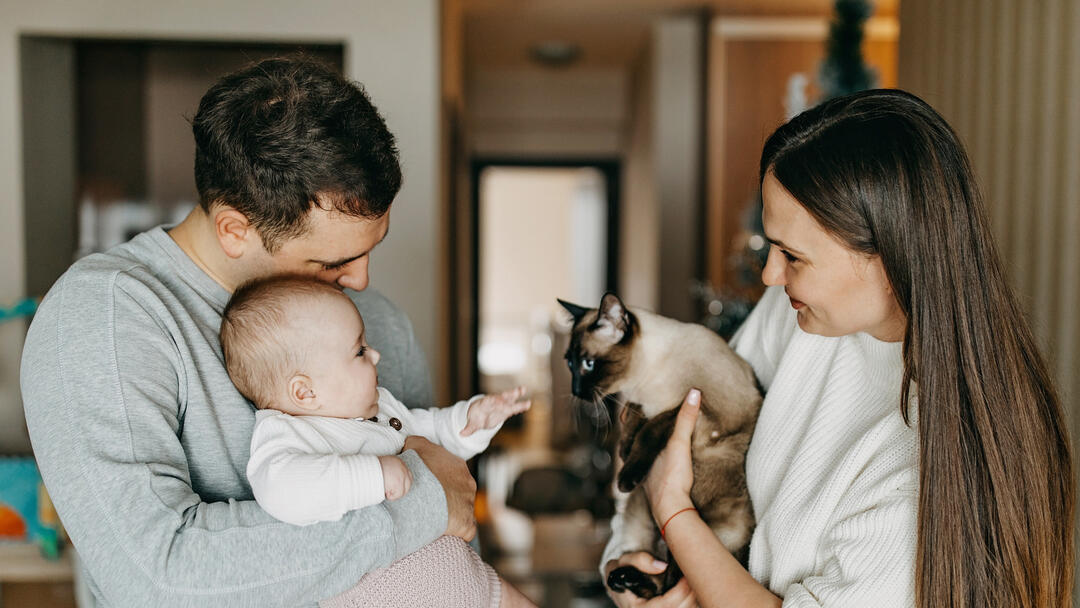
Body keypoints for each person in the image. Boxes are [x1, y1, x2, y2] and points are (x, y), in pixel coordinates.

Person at [20, 57, 479, 606]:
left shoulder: (379, 323)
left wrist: (434, 503)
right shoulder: (105, 315)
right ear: (235, 229)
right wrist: (419, 506)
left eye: (370, 248)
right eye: (332, 262)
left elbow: (448, 554)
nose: (360, 282)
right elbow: (158, 578)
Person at [604, 89, 1075, 608]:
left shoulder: (930, 465)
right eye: (771, 247)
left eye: (792, 256)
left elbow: (668, 481)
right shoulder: (798, 314)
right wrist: (627, 559)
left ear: (890, 258)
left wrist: (673, 512)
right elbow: (675, 435)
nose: (770, 275)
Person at [219, 275, 535, 607]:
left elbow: (429, 433)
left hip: (470, 581)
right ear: (305, 392)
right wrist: (372, 476)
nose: (376, 355)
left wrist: (471, 419)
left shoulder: (380, 406)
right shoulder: (289, 434)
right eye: (360, 351)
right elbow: (282, 490)